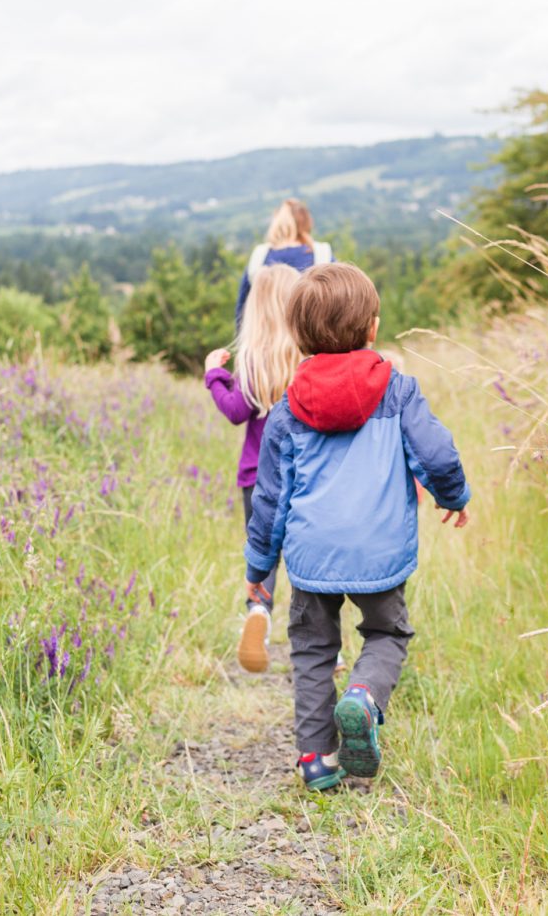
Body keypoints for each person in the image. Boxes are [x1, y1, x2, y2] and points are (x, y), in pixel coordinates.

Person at [243, 263, 470, 791]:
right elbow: (436, 453)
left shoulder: (286, 411)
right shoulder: (398, 391)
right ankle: (364, 697)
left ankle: (316, 761)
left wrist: (259, 569)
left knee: (312, 649)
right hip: (379, 552)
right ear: (372, 328)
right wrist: (453, 495)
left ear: (298, 338)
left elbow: (270, 502)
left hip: (311, 554)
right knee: (387, 632)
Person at [203, 265, 304, 673]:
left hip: (257, 480)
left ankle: (258, 614)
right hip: (305, 477)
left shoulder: (253, 363)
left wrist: (215, 375)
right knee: (306, 562)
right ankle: (323, 647)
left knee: (264, 555)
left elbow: (234, 411)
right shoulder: (307, 359)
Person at [235, 198, 332, 330]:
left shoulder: (259, 257)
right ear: (307, 222)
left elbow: (243, 309)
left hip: (267, 342)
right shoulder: (321, 255)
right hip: (311, 341)